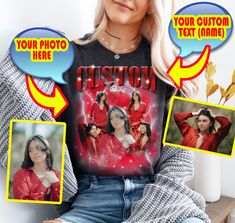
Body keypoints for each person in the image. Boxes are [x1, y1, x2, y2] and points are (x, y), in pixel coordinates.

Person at [0, 0, 210, 222]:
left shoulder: (169, 65)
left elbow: (180, 158)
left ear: (152, 5)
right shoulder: (66, 57)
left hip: (156, 199)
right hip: (91, 201)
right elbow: (18, 92)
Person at [12, 135, 60, 201]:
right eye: (30, 150)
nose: (34, 152)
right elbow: (22, 206)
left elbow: (62, 206)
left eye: (38, 148)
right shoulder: (21, 176)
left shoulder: (58, 176)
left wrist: (56, 183)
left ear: (47, 150)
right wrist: (43, 186)